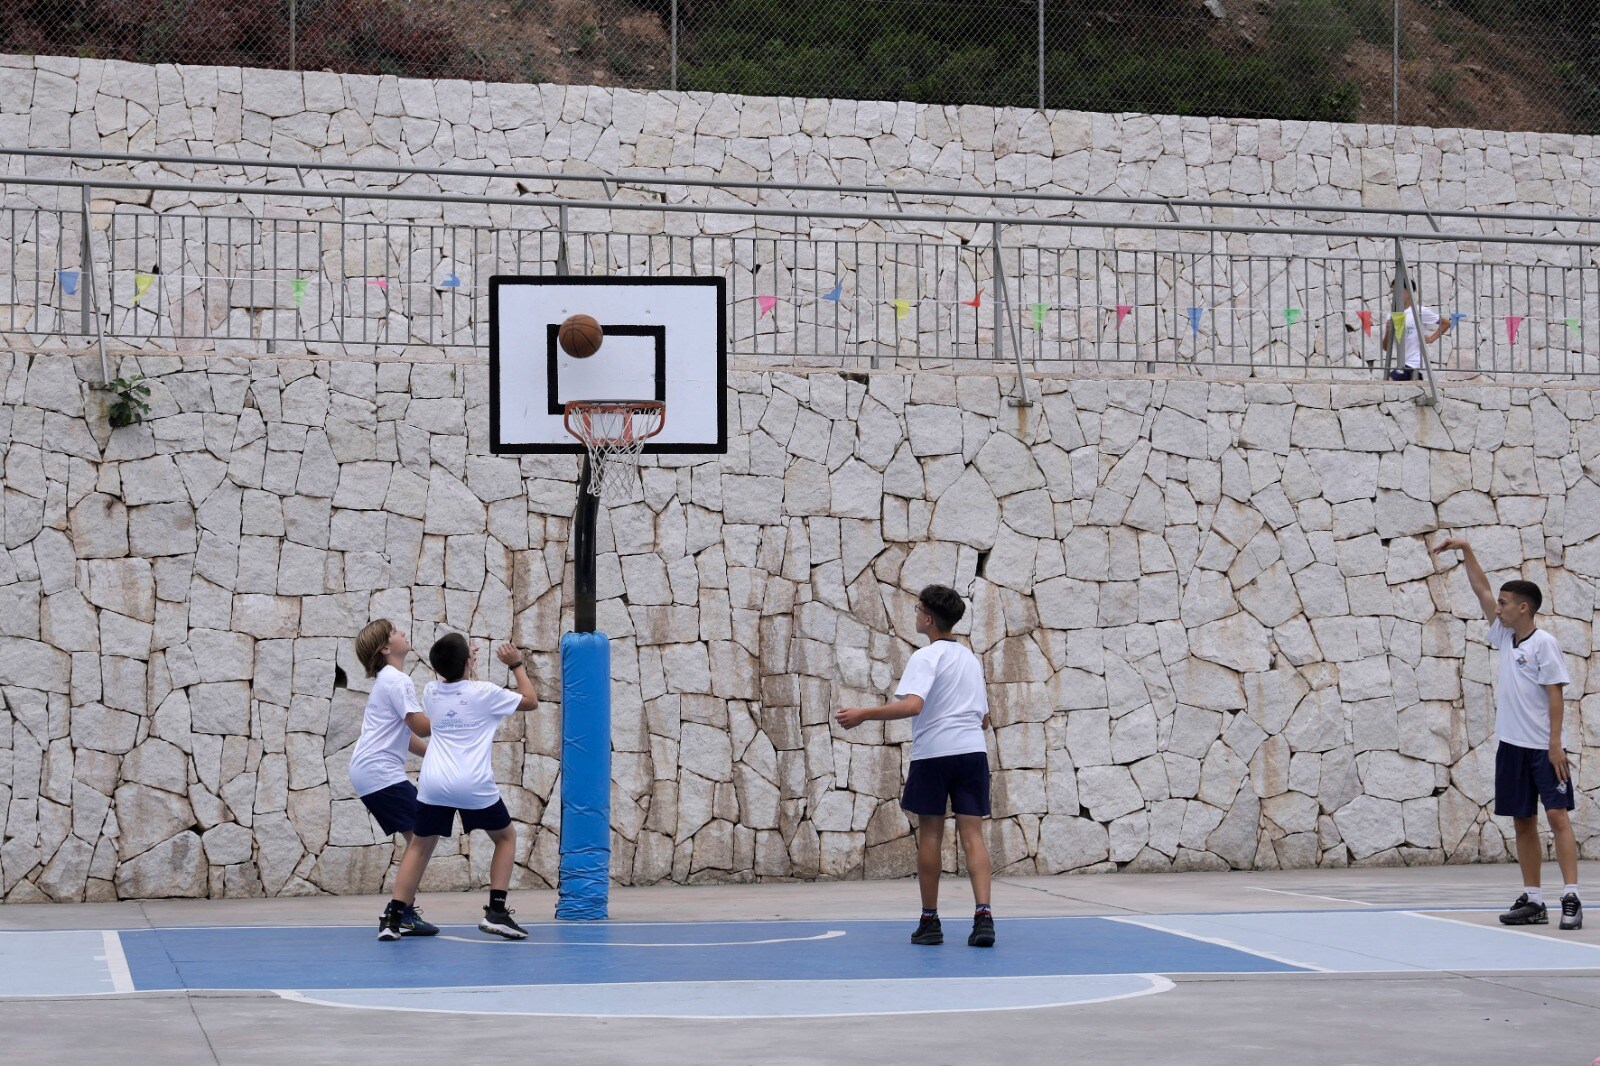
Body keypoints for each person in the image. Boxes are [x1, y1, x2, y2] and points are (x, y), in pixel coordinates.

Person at [1432, 537, 1581, 930]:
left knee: (1557, 816)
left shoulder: (1544, 644)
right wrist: (1467, 548)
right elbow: (1480, 588)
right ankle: (1533, 900)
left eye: (1503, 603)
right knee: (1522, 821)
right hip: (1511, 747)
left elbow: (1555, 695)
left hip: (1543, 750)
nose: (1495, 607)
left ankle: (1572, 897)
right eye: (1497, 603)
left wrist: (1554, 746)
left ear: (1523, 607)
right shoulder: (1503, 636)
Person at [836, 584, 995, 948]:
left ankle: (930, 922)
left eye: (917, 608)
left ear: (927, 617)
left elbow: (913, 706)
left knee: (930, 835)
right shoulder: (971, 659)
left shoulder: (925, 658)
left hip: (934, 754)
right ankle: (984, 917)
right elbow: (984, 718)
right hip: (973, 753)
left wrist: (863, 714)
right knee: (973, 835)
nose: (915, 614)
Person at [379, 634, 540, 941]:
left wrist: (464, 664)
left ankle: (393, 917)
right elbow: (530, 701)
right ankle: (496, 912)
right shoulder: (486, 693)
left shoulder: (431, 692)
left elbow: (458, 688)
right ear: (468, 662)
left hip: (434, 781)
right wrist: (515, 664)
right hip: (472, 782)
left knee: (419, 845)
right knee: (505, 838)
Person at [350, 619, 437, 938]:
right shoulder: (397, 681)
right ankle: (398, 913)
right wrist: (456, 704)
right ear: (386, 648)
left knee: (420, 837)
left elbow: (405, 735)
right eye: (395, 632)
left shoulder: (388, 681)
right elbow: (422, 725)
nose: (403, 632)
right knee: (423, 836)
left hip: (371, 771)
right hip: (378, 771)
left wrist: (432, 754)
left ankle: (404, 912)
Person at [1380, 287, 1450, 381]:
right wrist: (1388, 330)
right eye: (1394, 291)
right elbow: (1385, 347)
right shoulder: (1391, 315)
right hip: (1402, 363)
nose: (1396, 294)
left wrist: (1432, 338)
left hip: (1415, 362)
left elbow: (1446, 323)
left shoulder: (1420, 311)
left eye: (1399, 290)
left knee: (1390, 380)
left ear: (1409, 292)